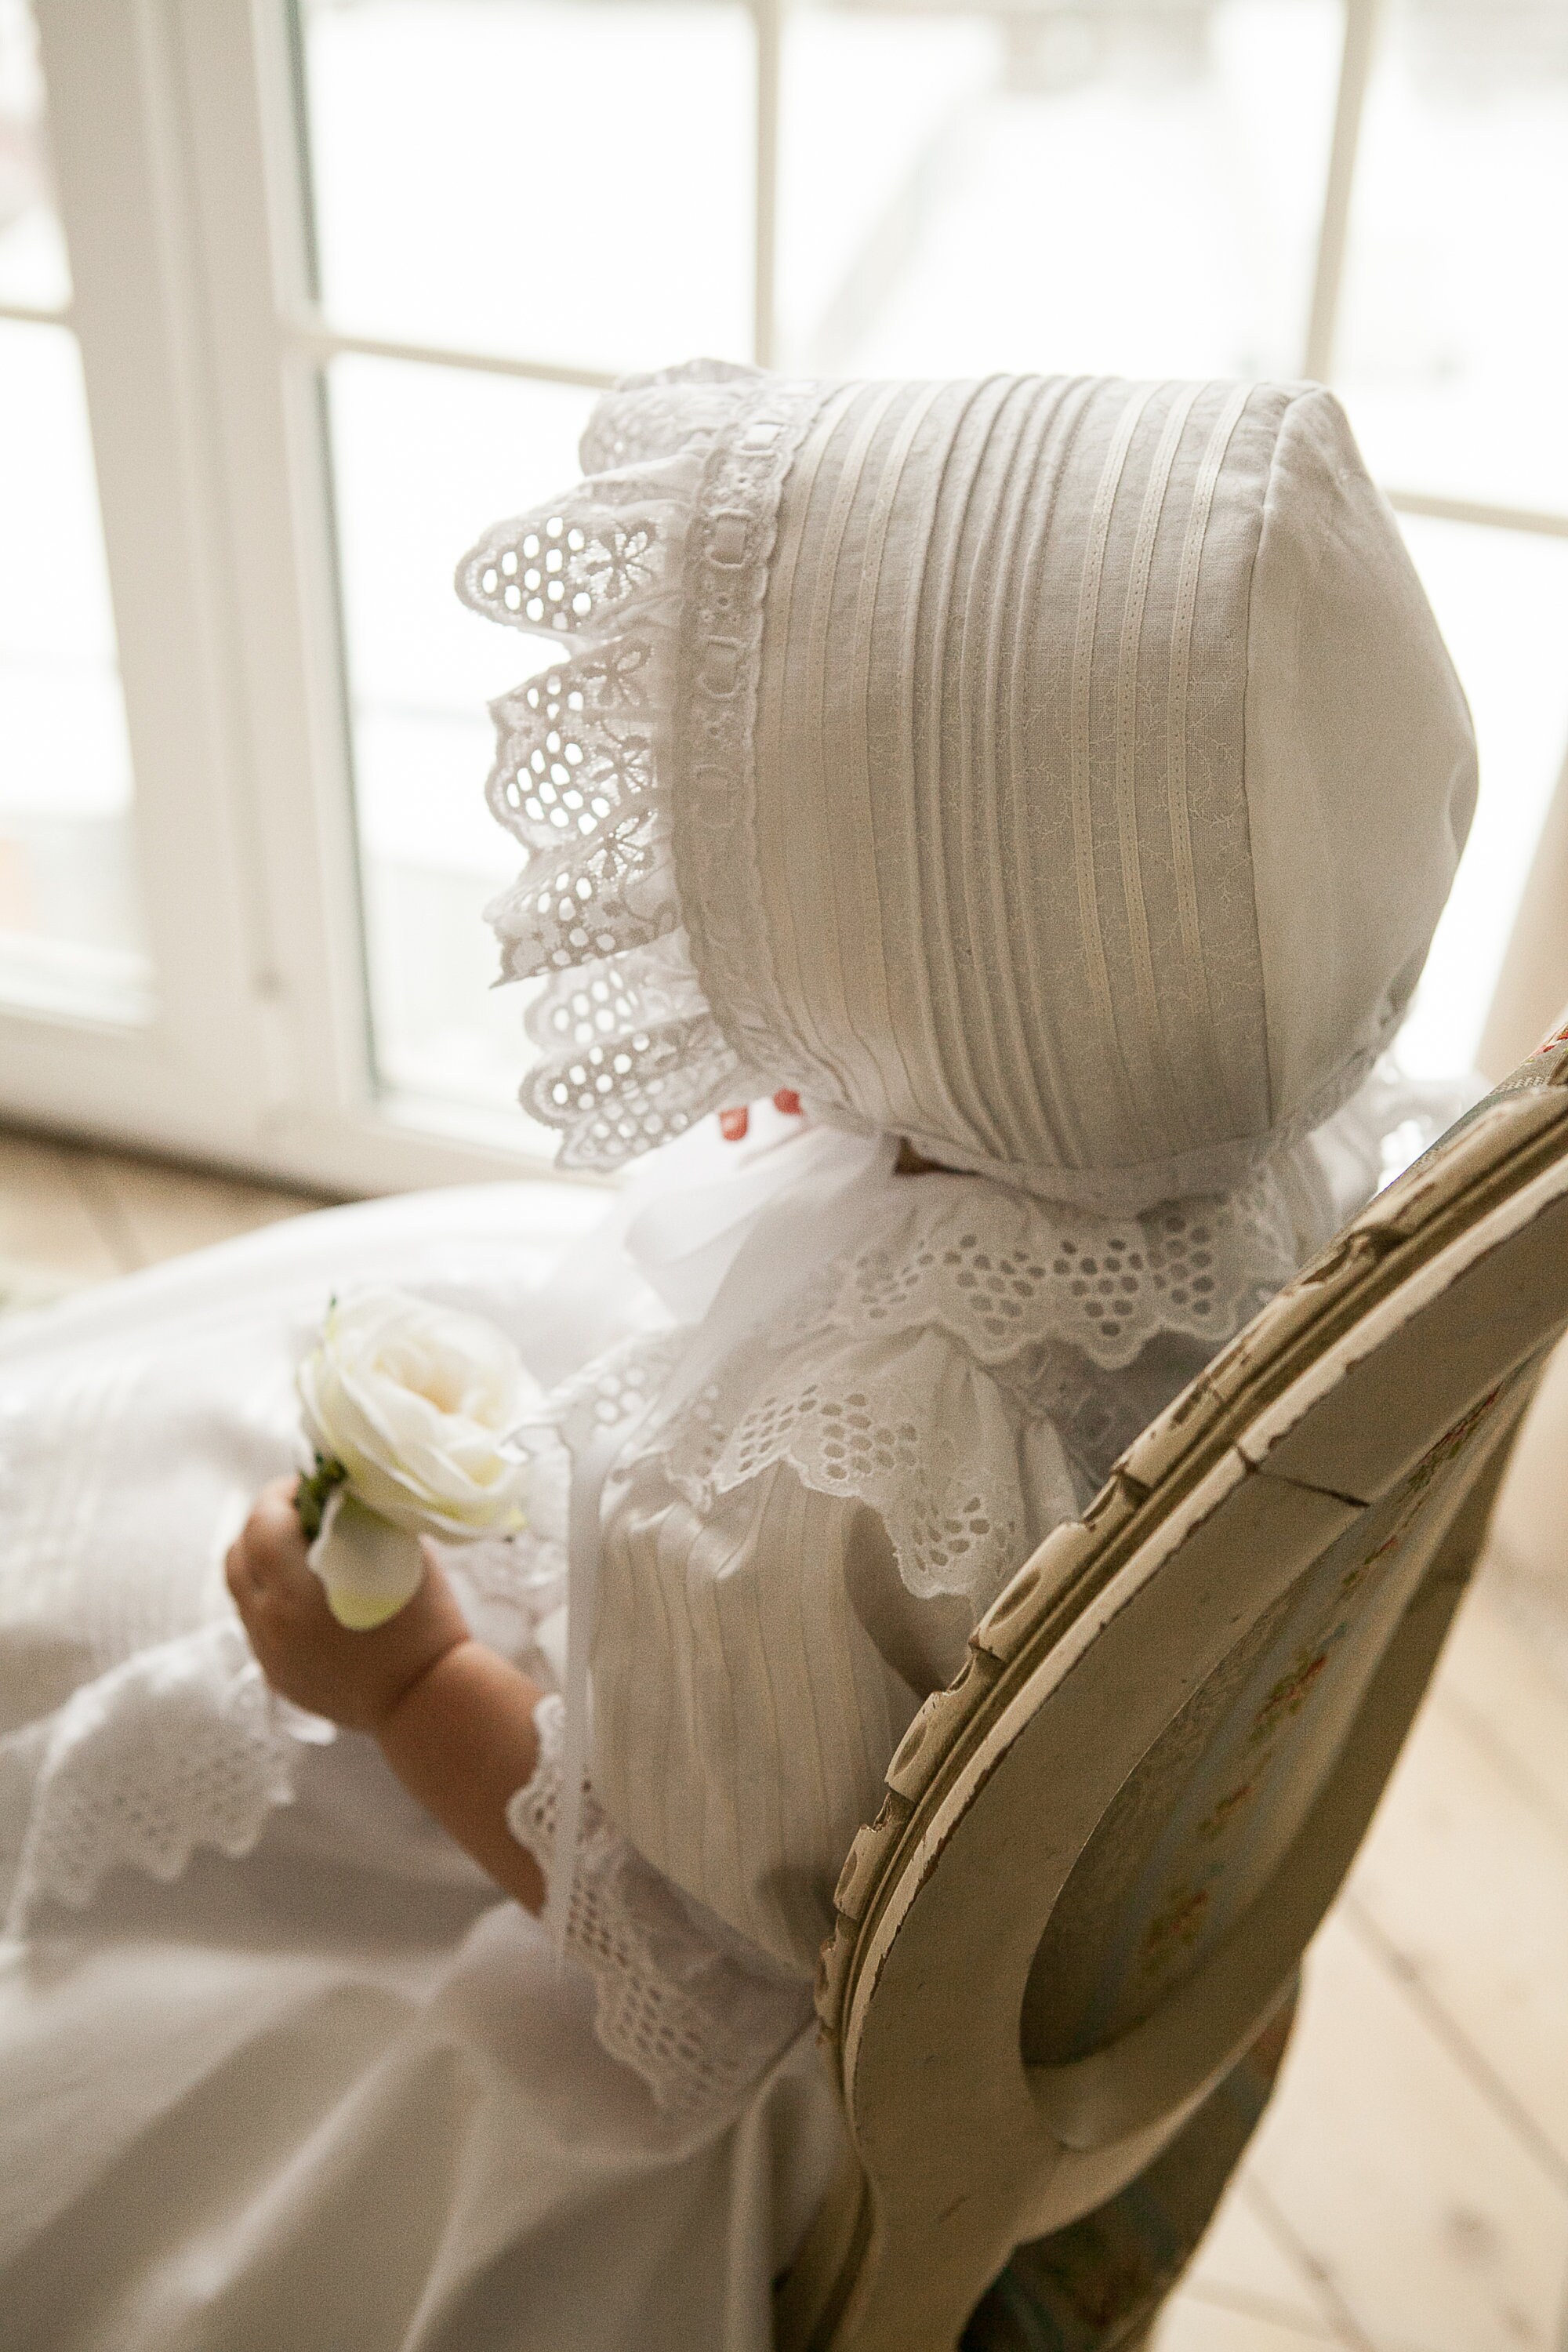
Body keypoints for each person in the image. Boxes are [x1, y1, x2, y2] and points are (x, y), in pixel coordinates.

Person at [0, 364, 1475, 2351]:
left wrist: (411, 1672)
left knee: (128, 1953)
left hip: (686, 2016)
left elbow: (689, 1964)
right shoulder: (1282, 1118)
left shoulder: (814, 1482)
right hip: (872, 1800)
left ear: (947, 959)